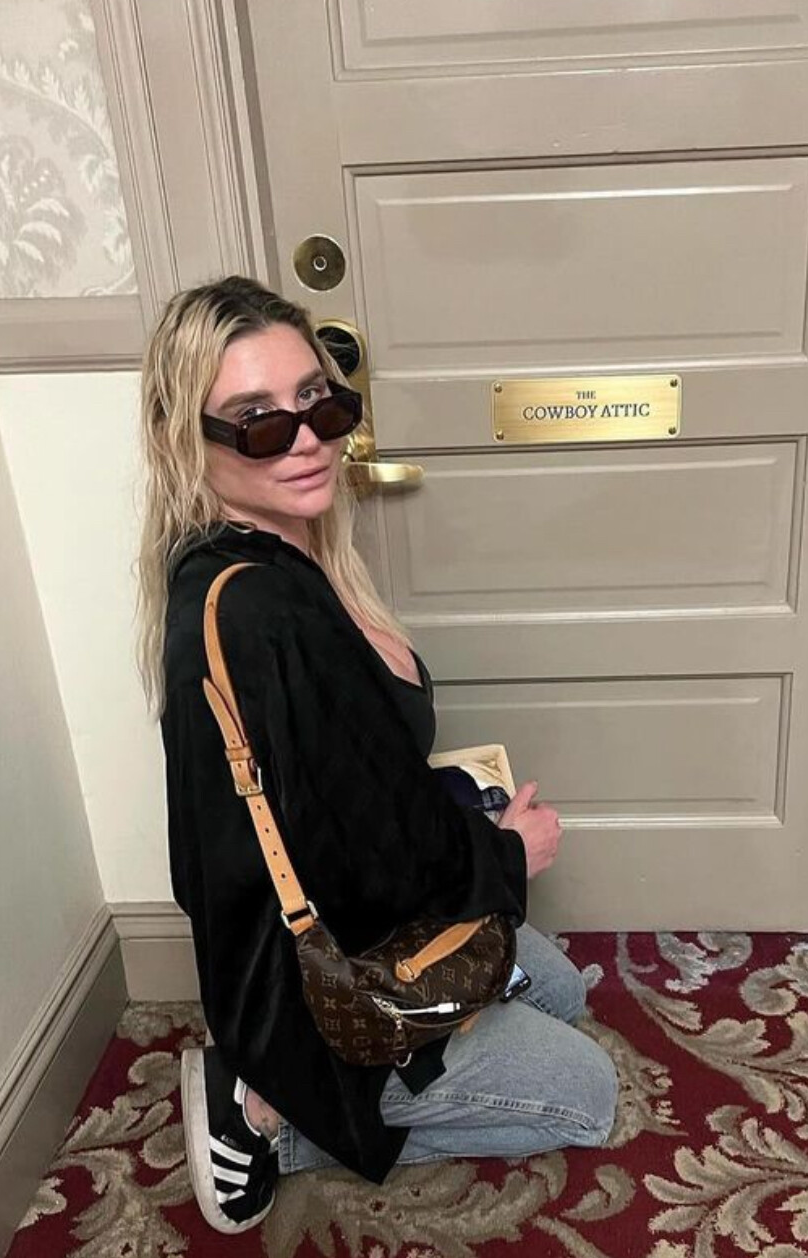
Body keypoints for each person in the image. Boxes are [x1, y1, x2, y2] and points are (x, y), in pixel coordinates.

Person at [135, 275, 618, 1236]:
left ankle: (281, 1082)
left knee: (559, 991)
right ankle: (268, 1114)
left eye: (318, 401)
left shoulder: (288, 559)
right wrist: (504, 856)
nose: (306, 439)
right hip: (333, 984)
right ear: (187, 440)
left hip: (377, 913)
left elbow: (349, 798)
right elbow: (346, 868)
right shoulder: (258, 612)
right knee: (585, 1095)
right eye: (257, 421)